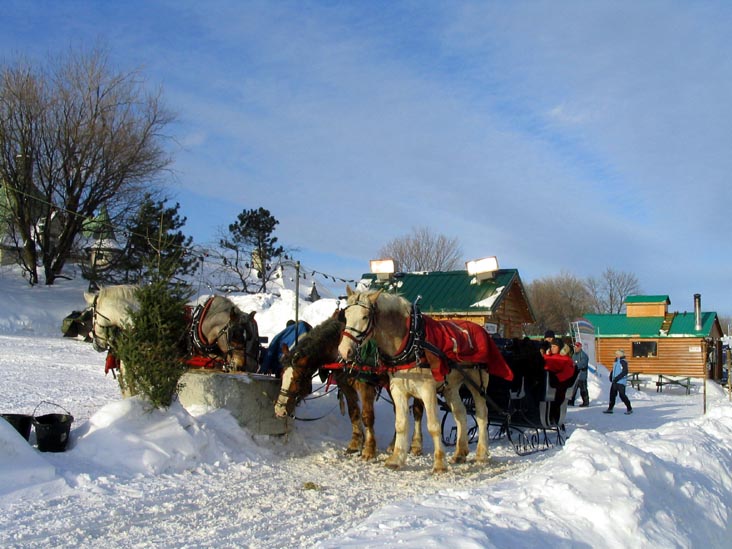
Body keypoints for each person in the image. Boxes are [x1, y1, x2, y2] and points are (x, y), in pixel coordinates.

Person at [543, 339, 577, 423]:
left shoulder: (566, 359)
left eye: (554, 346)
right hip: (545, 380)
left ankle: (553, 416)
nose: (552, 348)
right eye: (551, 346)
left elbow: (567, 373)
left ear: (560, 348)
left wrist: (555, 378)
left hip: (556, 383)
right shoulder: (547, 357)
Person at [604, 349, 633, 414]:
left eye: (617, 354)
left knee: (622, 395)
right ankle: (610, 408)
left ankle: (629, 408)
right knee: (612, 395)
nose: (616, 355)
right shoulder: (616, 361)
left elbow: (625, 372)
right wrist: (611, 376)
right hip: (615, 381)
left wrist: (617, 378)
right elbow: (613, 369)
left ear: (620, 355)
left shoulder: (623, 362)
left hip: (621, 381)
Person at [568, 342, 590, 407]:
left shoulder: (583, 355)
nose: (575, 348)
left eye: (577, 347)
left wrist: (575, 366)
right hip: (575, 376)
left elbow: (583, 364)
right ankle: (571, 401)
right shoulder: (574, 355)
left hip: (581, 376)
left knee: (583, 389)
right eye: (575, 347)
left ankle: (586, 402)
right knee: (573, 389)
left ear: (580, 347)